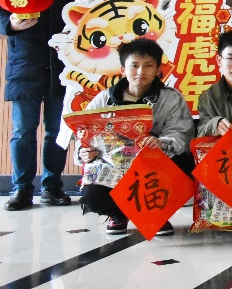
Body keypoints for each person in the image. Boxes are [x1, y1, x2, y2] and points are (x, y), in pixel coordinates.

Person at [0, 0, 85, 210]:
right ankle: (21, 189)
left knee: (56, 130)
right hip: (26, 63)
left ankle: (52, 186)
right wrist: (11, 24)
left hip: (65, 65)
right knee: (23, 130)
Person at [78, 40, 194, 237]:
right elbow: (84, 136)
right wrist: (84, 153)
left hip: (153, 166)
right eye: (134, 65)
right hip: (114, 169)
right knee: (92, 196)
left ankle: (155, 213)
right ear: (123, 69)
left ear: (158, 70)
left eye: (148, 65)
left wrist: (162, 142)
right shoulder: (104, 99)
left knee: (184, 164)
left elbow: (182, 135)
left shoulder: (171, 98)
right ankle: (118, 214)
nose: (141, 72)